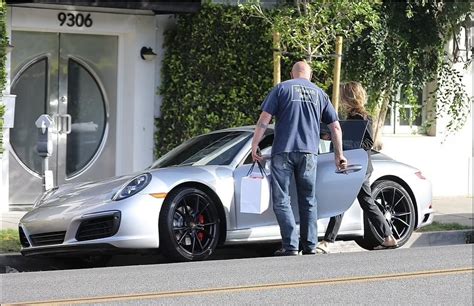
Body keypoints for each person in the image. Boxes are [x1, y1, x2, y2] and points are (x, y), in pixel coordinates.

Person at [251, 61, 347, 256]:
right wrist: (339, 155)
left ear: (292, 73)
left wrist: (255, 145)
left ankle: (291, 245)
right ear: (310, 76)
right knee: (308, 199)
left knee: (282, 199)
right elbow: (335, 126)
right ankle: (310, 245)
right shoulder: (320, 93)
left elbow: (264, 119)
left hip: (283, 151)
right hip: (309, 153)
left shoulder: (281, 88)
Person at [316, 81, 398, 254]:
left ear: (349, 97)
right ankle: (388, 237)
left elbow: (368, 143)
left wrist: (346, 140)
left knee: (344, 200)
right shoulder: (348, 118)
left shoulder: (363, 118)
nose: (340, 100)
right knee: (365, 202)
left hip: (358, 166)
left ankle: (328, 241)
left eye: (343, 96)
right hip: (354, 165)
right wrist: (332, 137)